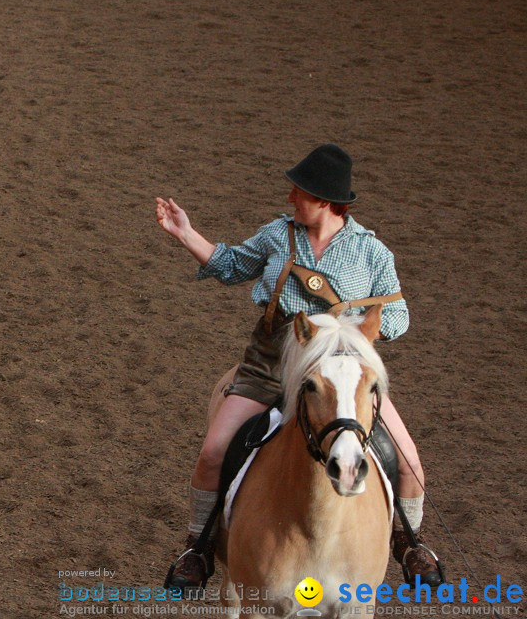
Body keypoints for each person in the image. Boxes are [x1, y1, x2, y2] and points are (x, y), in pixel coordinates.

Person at [155, 144, 441, 590]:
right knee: (213, 452)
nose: (291, 198)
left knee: (409, 463)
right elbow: (231, 266)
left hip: (339, 374)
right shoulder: (277, 235)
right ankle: (198, 545)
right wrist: (186, 234)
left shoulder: (372, 253)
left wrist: (355, 331)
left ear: (325, 200)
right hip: (270, 365)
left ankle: (411, 542)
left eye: (299, 192)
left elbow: (399, 315)